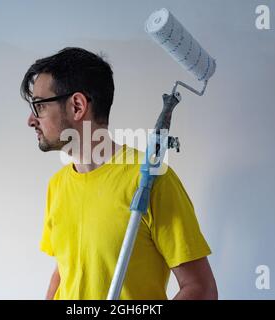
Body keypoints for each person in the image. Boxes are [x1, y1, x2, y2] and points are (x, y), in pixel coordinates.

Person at [21, 47, 217, 300]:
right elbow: (63, 273)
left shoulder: (150, 180)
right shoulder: (57, 186)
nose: (30, 119)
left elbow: (200, 289)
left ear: (77, 106)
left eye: (38, 105)